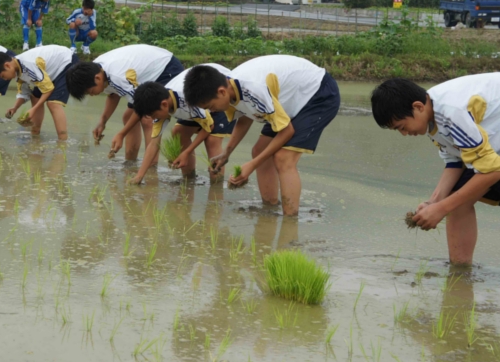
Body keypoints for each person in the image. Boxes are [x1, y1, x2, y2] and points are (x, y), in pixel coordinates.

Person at [183, 55, 340, 217]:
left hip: (317, 94)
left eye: (210, 106)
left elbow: (287, 131)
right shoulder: (231, 88)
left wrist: (251, 166)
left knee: (283, 158)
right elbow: (245, 118)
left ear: (221, 92)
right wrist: (226, 153)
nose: (211, 112)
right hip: (288, 100)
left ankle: (290, 221)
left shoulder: (253, 88)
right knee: (259, 150)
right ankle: (270, 208)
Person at [371, 75, 500, 266]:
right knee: (457, 200)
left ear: (418, 107)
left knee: (456, 201)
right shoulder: (432, 116)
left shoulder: (451, 113)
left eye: (402, 127)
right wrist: (434, 201)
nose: (404, 134)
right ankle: (460, 273)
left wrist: (441, 208)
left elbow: (493, 171)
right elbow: (455, 162)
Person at [66, 44, 184, 160]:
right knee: (128, 117)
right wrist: (102, 121)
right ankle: (130, 162)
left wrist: (121, 134)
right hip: (145, 75)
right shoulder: (96, 71)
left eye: (91, 91)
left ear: (97, 78)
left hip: (164, 68)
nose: (92, 95)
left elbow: (140, 107)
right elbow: (113, 95)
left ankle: (151, 168)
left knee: (147, 118)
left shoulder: (117, 76)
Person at [129, 63, 235, 185]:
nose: (153, 119)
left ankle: (216, 187)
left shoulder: (186, 101)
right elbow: (153, 144)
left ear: (164, 105)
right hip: (197, 101)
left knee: (212, 140)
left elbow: (209, 126)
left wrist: (186, 152)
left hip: (215, 95)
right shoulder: (162, 101)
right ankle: (189, 180)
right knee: (179, 133)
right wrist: (139, 176)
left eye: (153, 115)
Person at [0, 45, 78, 140]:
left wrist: (34, 110)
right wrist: (15, 108)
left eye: (2, 76)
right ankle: (35, 132)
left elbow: (48, 89)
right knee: (35, 97)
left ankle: (62, 140)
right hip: (49, 71)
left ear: (7, 66)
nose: (4, 79)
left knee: (53, 103)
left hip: (66, 62)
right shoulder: (17, 70)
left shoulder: (28, 66)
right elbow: (24, 93)